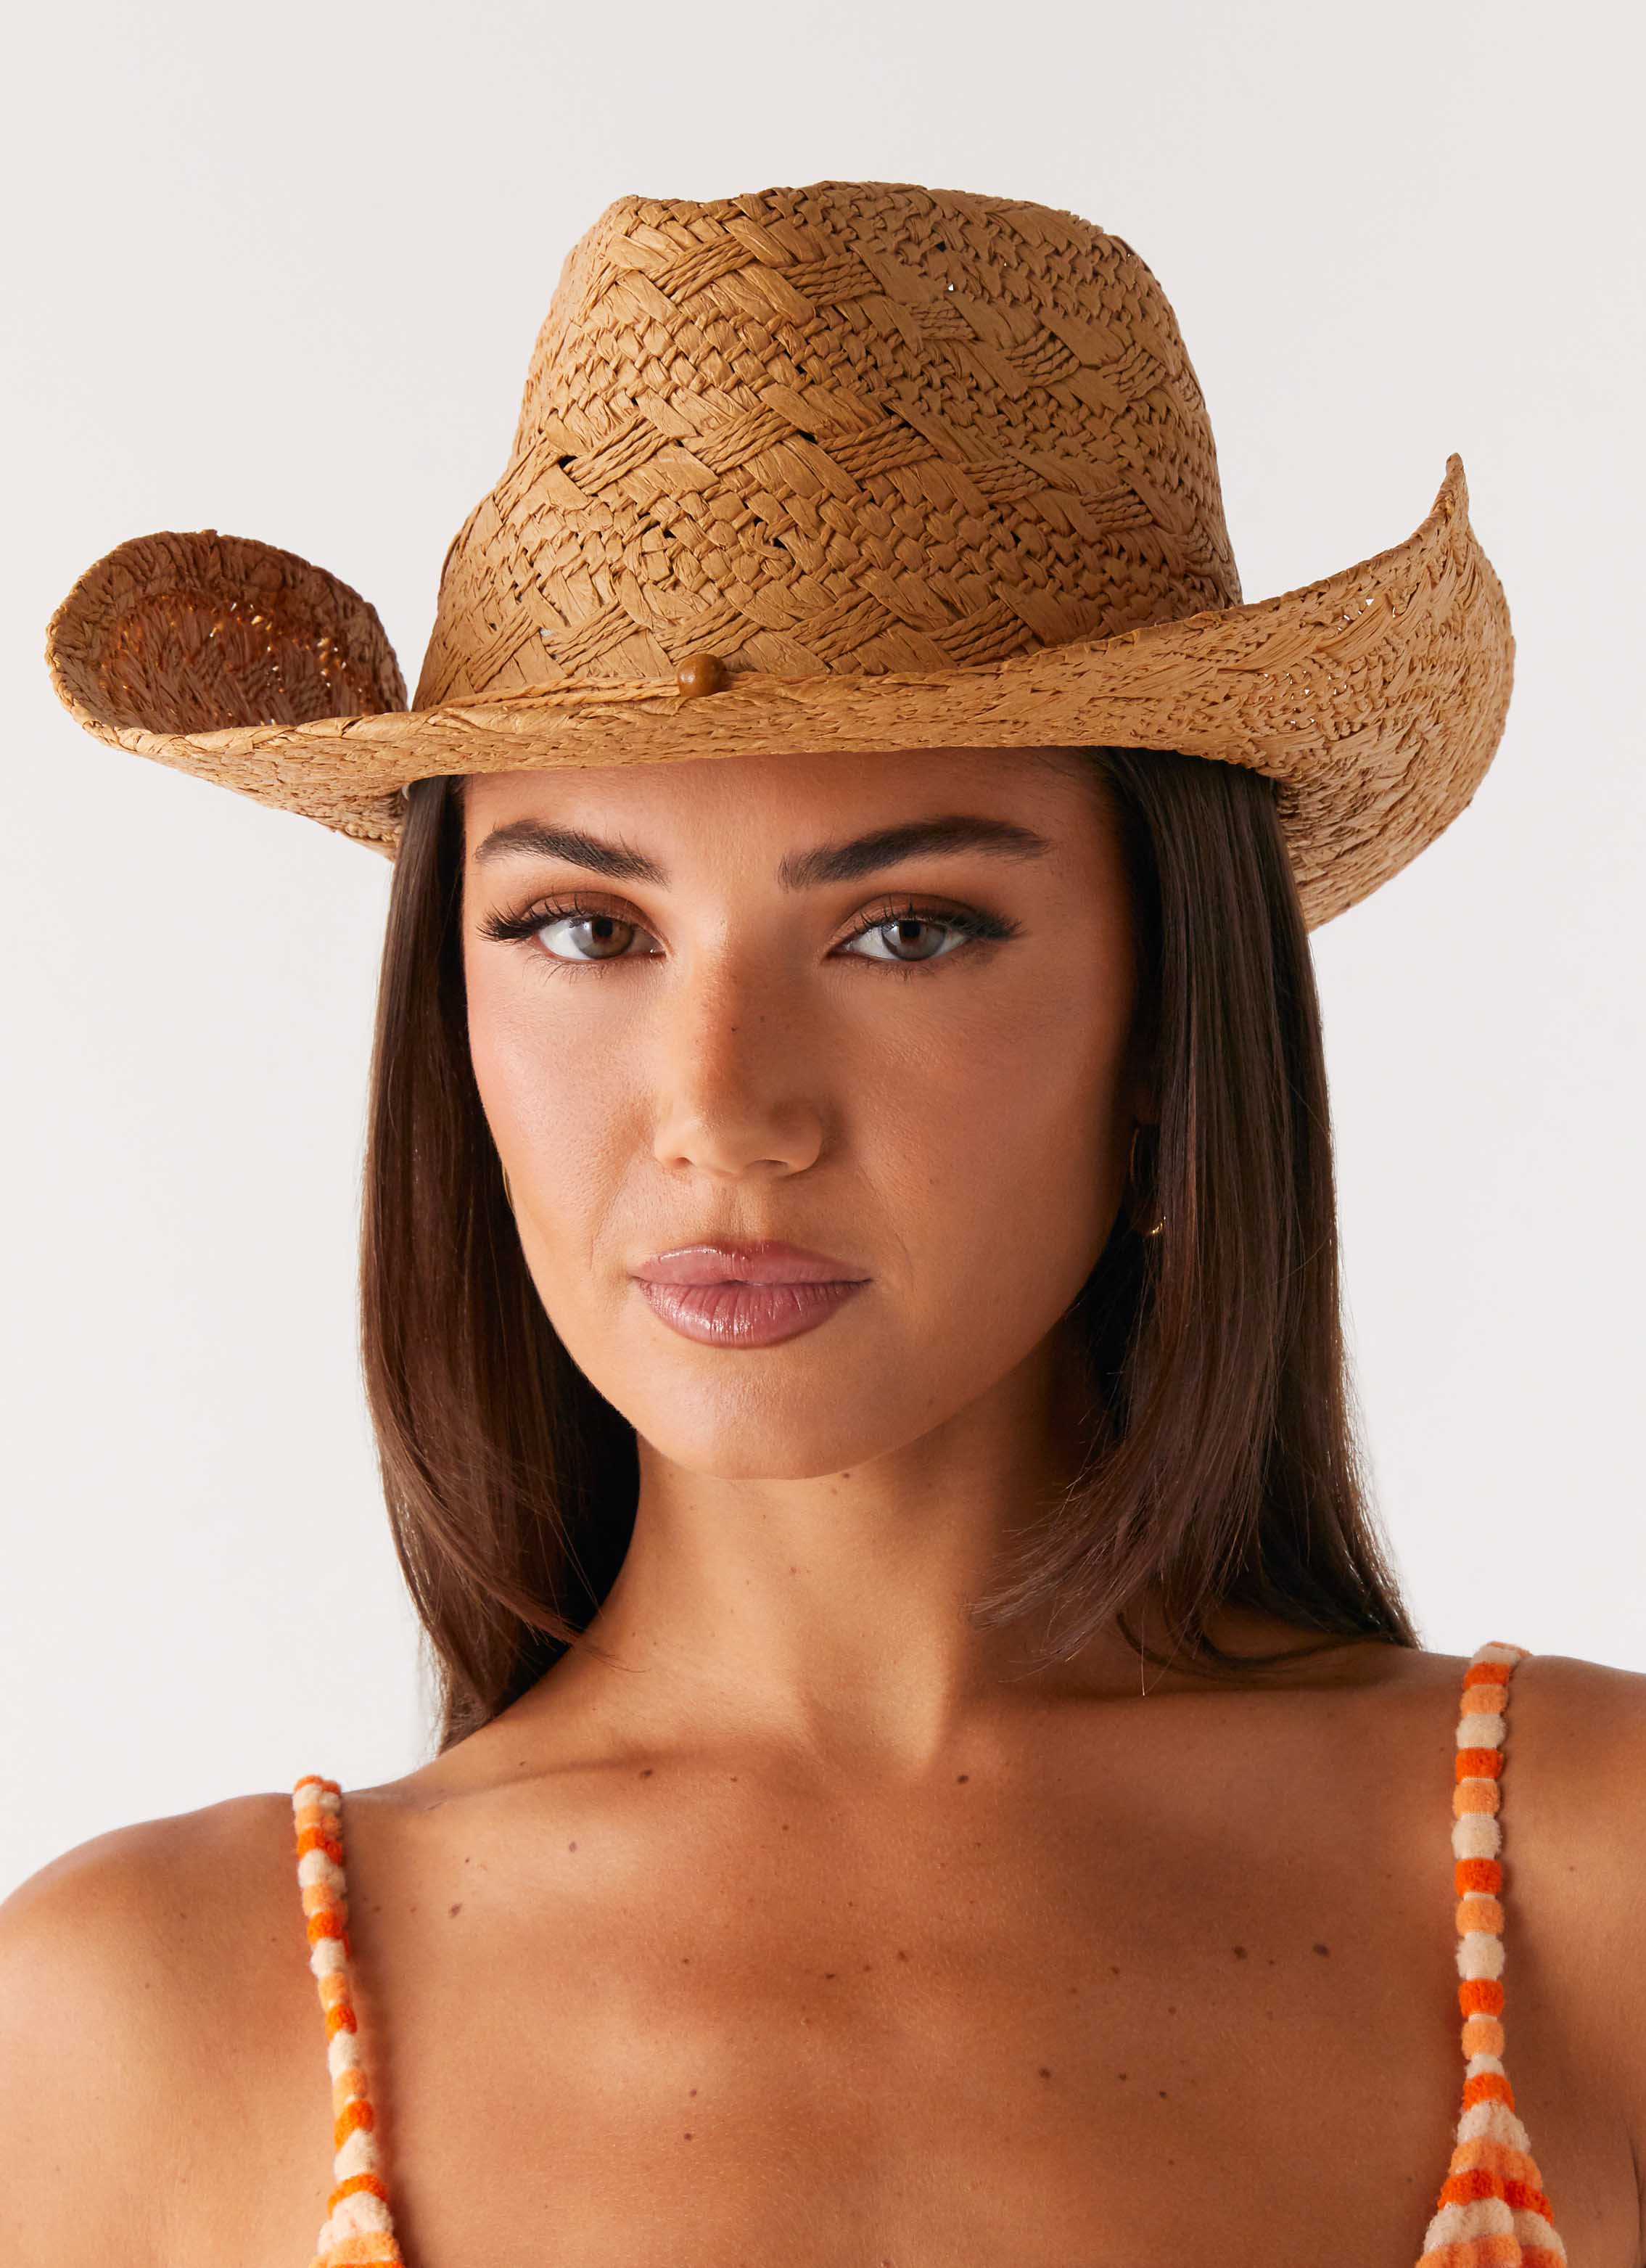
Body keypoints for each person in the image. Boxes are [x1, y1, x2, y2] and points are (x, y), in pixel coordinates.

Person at [9, 181, 1643, 2268]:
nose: (723, 1110)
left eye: (907, 929)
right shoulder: (143, 2026)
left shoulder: (1590, 1895)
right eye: (583, 926)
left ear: (1172, 1017)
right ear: (450, 1010)